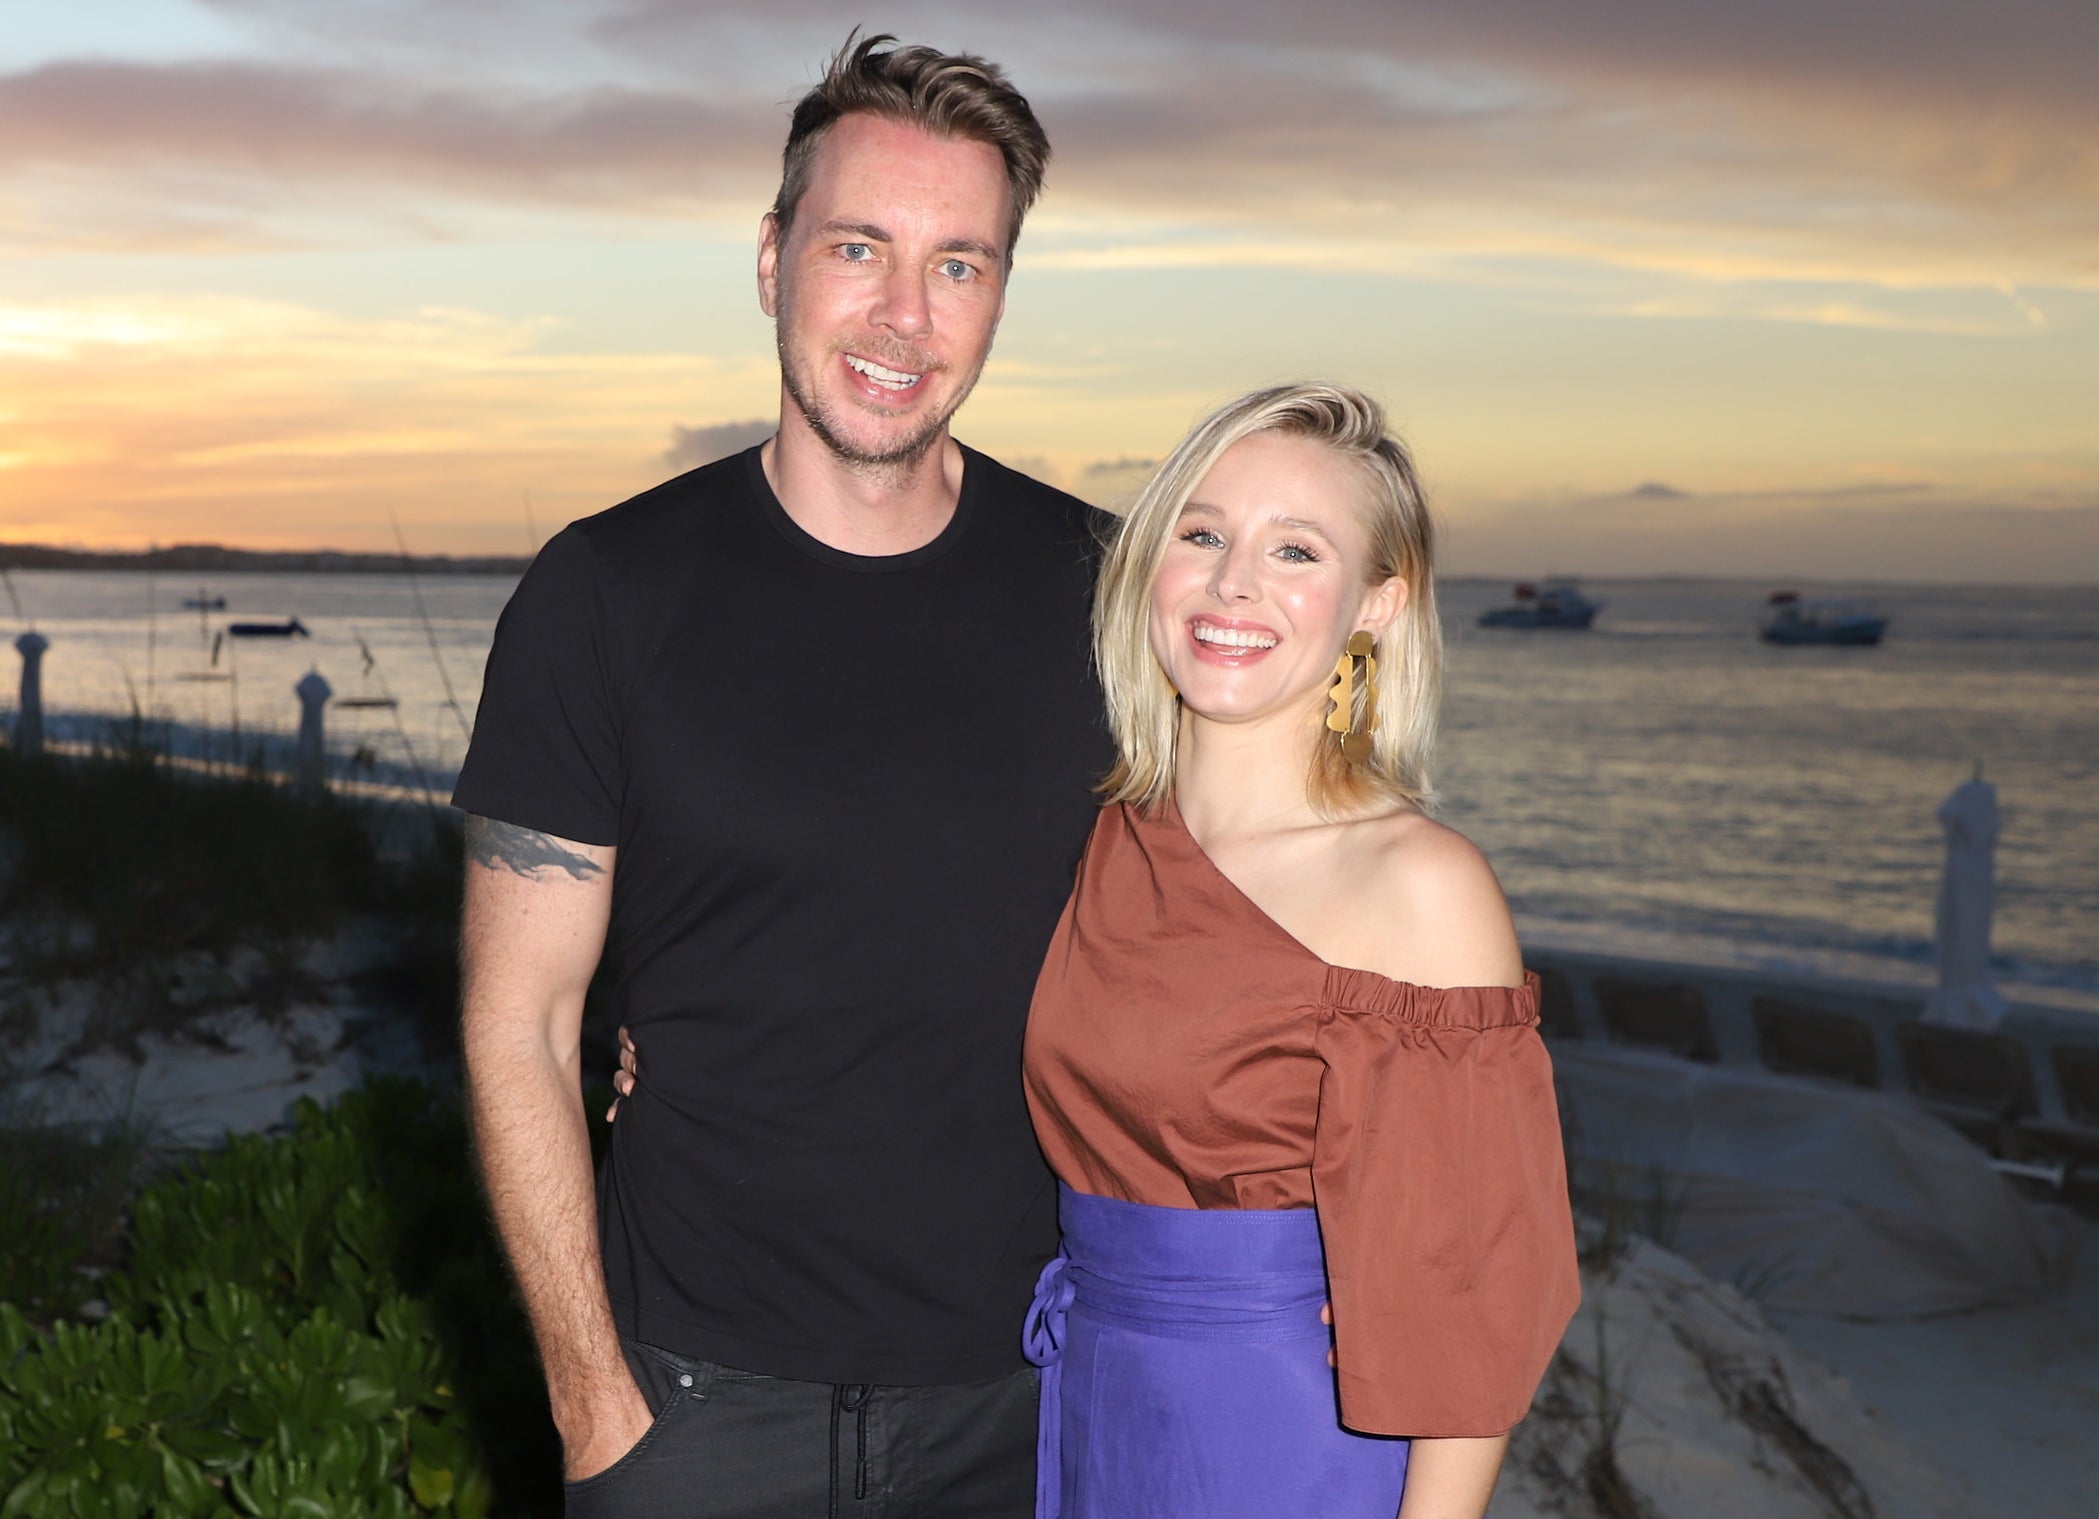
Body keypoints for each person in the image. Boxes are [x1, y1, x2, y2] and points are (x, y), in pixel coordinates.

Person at [454, 33, 1108, 1518]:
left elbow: (1250, 915)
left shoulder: (1103, 591)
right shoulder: (602, 592)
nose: (902, 312)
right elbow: (520, 1017)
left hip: (1022, 1395)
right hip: (687, 1400)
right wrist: (591, 1405)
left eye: (960, 263)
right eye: (858, 246)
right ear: (769, 260)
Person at [1018, 382, 1580, 1517]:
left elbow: (1466, 1307)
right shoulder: (1101, 834)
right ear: (1149, 565)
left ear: (1376, 603)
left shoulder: (1417, 886)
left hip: (1284, 1438)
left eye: (1294, 550)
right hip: (1091, 1400)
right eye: (1203, 532)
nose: (1233, 582)